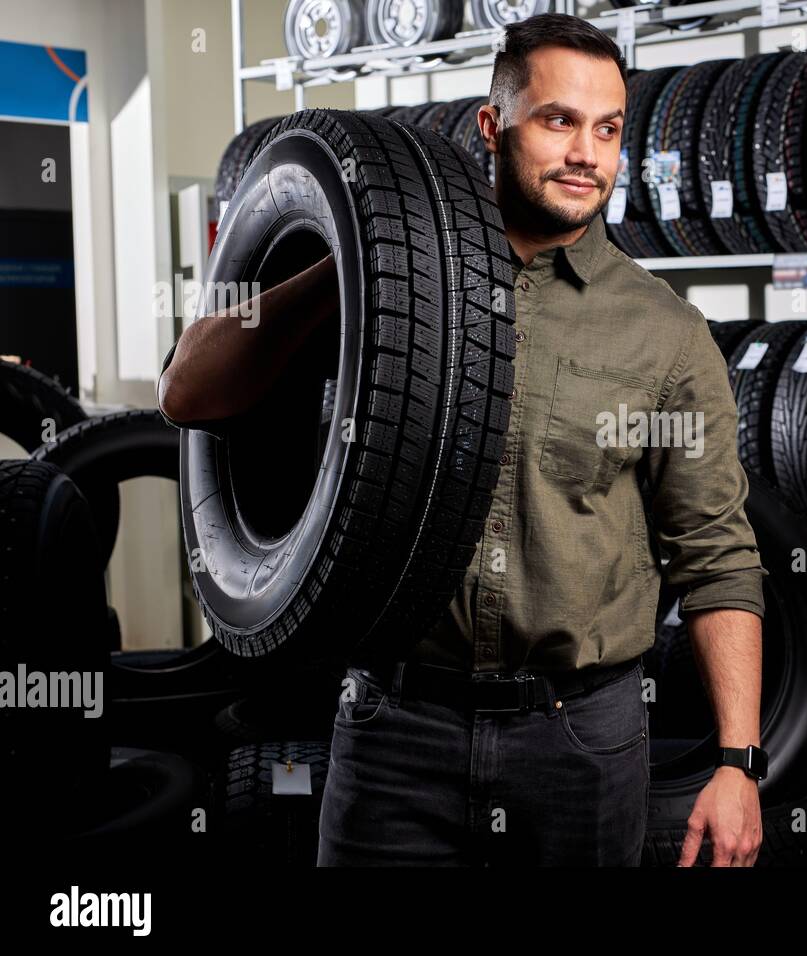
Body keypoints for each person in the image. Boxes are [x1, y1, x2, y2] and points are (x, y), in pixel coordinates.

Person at [158, 13, 769, 867]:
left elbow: (716, 554)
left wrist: (739, 761)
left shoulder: (664, 333)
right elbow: (189, 392)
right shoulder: (371, 291)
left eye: (609, 128)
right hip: (395, 731)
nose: (588, 154)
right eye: (559, 120)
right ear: (493, 126)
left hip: (578, 743)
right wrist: (372, 254)